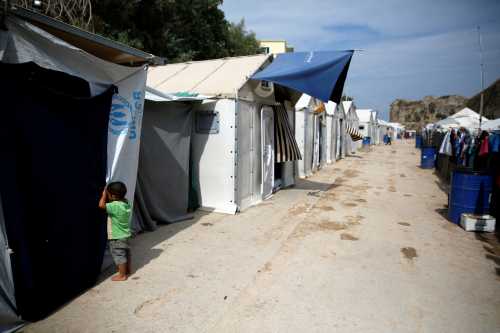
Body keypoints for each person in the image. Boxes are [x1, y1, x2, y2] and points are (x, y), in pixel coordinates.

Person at [99, 181, 132, 281]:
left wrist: (103, 195)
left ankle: (122, 275)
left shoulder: (114, 206)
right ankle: (128, 270)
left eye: (108, 194)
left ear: (112, 196)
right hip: (126, 235)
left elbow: (101, 205)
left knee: (119, 256)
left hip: (117, 237)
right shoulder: (126, 203)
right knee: (126, 253)